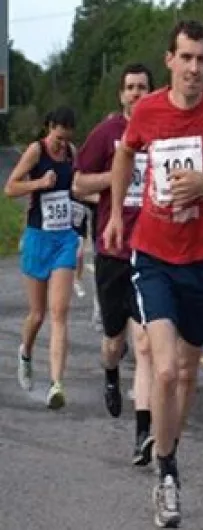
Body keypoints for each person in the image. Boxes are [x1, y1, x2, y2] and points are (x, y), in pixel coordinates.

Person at [103, 20, 203, 528]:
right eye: (186, 58)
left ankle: (168, 453)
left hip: (202, 259)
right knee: (163, 368)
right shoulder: (147, 110)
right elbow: (124, 152)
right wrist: (119, 214)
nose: (194, 69)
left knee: (186, 372)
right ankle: (166, 474)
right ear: (170, 61)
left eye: (202, 59)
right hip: (154, 255)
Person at [72, 63, 156, 463]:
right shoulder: (106, 134)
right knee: (113, 343)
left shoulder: (161, 132)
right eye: (130, 88)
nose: (136, 94)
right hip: (112, 249)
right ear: (122, 95)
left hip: (151, 250)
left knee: (144, 345)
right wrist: (117, 175)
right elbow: (78, 183)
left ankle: (144, 435)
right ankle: (109, 374)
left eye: (142, 87)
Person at [4, 107, 79, 410]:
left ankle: (56, 384)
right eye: (58, 137)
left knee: (59, 312)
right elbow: (10, 187)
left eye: (66, 138)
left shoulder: (73, 153)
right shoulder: (36, 151)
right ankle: (25, 352)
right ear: (50, 128)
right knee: (38, 315)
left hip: (64, 239)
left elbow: (75, 190)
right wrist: (38, 184)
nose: (61, 144)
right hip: (38, 238)